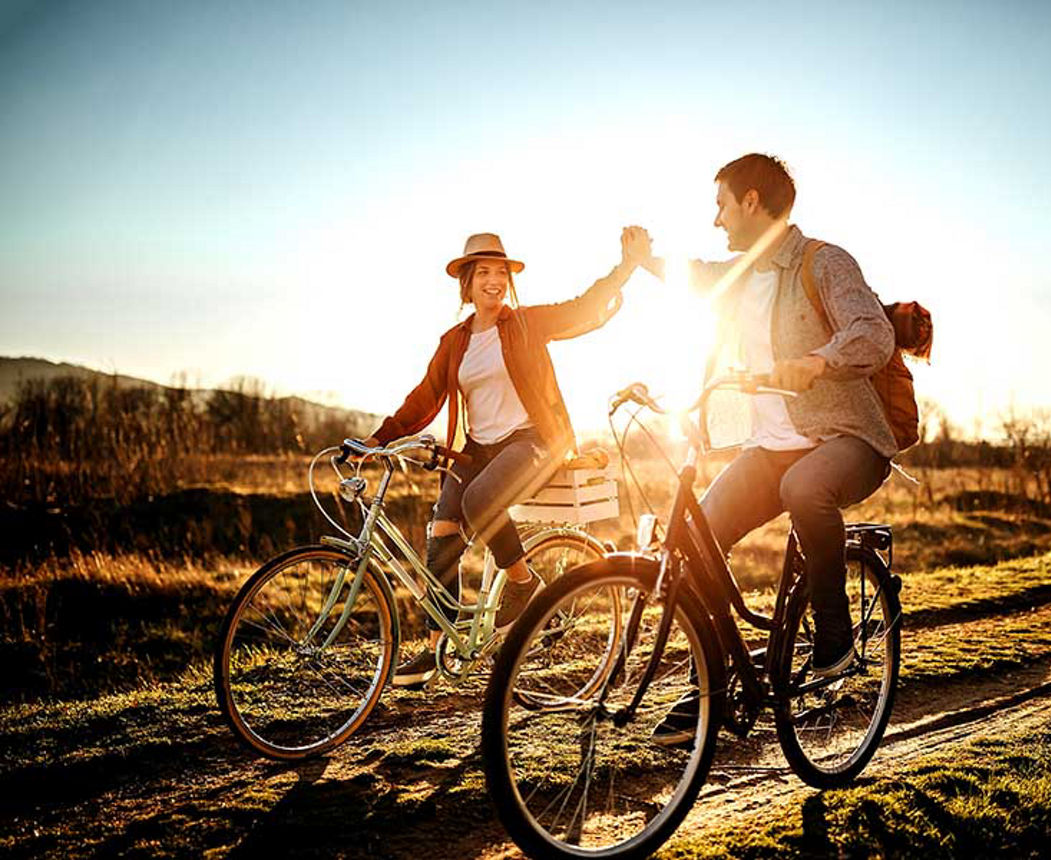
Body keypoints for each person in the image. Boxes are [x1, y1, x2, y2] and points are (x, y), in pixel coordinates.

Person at [648, 153, 896, 745]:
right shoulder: (740, 277)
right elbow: (696, 275)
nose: (717, 220)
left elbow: (873, 333)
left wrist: (818, 361)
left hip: (846, 440)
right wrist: (642, 261)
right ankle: (710, 680)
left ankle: (833, 639)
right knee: (696, 535)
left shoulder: (824, 262)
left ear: (752, 202)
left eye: (722, 206)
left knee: (804, 488)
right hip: (771, 446)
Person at [356, 228, 653, 686]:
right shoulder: (454, 342)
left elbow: (583, 306)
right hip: (475, 449)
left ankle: (521, 583)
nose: (493, 280)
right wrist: (380, 439)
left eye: (501, 272)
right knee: (442, 530)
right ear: (467, 283)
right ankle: (437, 649)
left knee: (480, 502)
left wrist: (627, 267)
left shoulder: (526, 324)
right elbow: (425, 396)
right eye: (483, 273)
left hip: (532, 441)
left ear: (508, 281)